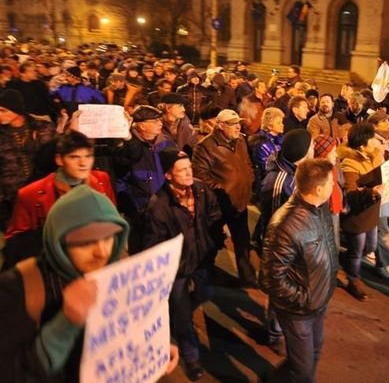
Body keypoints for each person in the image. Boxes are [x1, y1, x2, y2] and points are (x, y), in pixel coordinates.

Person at [0, 185, 179, 381]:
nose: (102, 252)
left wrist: (158, 343)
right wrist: (65, 324)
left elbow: (137, 319)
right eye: (86, 241)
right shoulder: (18, 288)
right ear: (59, 243)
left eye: (109, 237)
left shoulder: (120, 272)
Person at [144, 148, 224, 381]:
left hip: (202, 258)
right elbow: (153, 243)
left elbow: (214, 215)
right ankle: (191, 358)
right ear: (168, 175)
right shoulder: (158, 206)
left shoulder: (201, 190)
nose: (189, 173)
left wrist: (213, 242)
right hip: (176, 268)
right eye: (182, 170)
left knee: (205, 293)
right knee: (182, 314)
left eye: (190, 168)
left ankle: (180, 310)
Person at [261, 159, 338, 383]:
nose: (334, 185)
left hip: (318, 301)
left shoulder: (320, 209)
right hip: (299, 310)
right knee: (302, 369)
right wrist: (304, 299)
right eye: (331, 182)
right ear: (318, 189)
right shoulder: (286, 225)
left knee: (312, 354)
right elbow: (271, 278)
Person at [4, 131, 115, 265]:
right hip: (54, 264)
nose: (83, 163)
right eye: (74, 157)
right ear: (59, 160)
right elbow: (15, 241)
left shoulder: (102, 180)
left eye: (88, 156)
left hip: (97, 260)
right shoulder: (31, 193)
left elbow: (113, 220)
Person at [192, 109, 257, 287]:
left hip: (240, 201)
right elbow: (200, 174)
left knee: (242, 241)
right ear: (220, 126)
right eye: (232, 124)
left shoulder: (240, 140)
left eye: (238, 123)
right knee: (212, 241)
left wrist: (249, 179)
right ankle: (206, 275)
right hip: (219, 204)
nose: (238, 127)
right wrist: (222, 189)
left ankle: (247, 276)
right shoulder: (205, 146)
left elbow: (247, 163)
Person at [113, 105, 177, 253]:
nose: (160, 123)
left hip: (162, 206)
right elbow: (120, 179)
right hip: (139, 211)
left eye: (160, 120)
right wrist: (134, 205)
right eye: (155, 121)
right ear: (141, 125)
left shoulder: (164, 141)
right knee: (141, 251)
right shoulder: (126, 144)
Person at [339, 123, 384, 299]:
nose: (376, 141)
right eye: (372, 139)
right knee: (357, 250)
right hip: (357, 216)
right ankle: (353, 279)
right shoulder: (349, 163)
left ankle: (344, 259)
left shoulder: (375, 155)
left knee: (370, 246)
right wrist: (371, 193)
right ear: (362, 146)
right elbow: (351, 194)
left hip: (371, 211)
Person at [0, 89, 56, 230]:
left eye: (3, 110)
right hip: (10, 196)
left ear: (16, 109)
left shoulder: (42, 128)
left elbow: (53, 156)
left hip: (42, 192)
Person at [367, 111, 389, 278]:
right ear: (374, 126)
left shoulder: (387, 141)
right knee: (382, 229)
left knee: (376, 228)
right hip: (378, 192)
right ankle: (383, 264)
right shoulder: (373, 143)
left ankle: (365, 251)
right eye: (385, 122)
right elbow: (379, 170)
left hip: (385, 192)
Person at [248, 107, 284, 196]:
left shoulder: (280, 139)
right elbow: (266, 167)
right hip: (267, 184)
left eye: (282, 122)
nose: (282, 125)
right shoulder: (261, 143)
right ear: (269, 125)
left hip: (278, 180)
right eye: (278, 123)